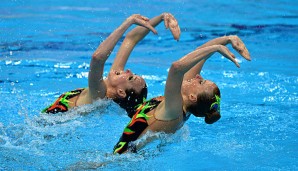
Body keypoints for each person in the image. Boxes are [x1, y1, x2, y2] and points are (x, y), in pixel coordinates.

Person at [113, 35, 251, 154]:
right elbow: (199, 55)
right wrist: (227, 39)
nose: (197, 76)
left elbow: (176, 68)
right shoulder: (186, 104)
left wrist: (216, 48)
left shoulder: (174, 110)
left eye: (201, 82)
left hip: (120, 160)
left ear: (192, 97)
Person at [42, 13, 181, 116]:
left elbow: (97, 58)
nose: (128, 71)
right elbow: (131, 39)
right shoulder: (113, 82)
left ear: (120, 92)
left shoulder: (99, 94)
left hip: (48, 128)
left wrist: (128, 22)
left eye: (130, 78)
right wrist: (162, 17)